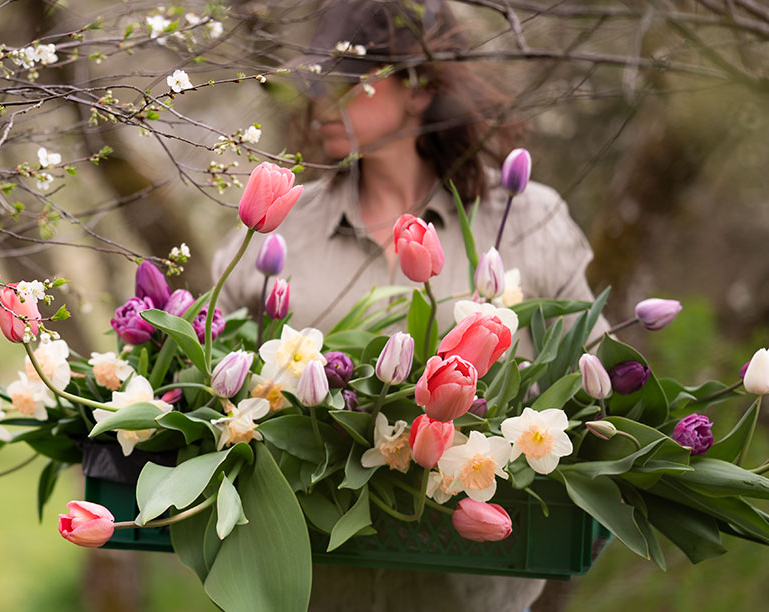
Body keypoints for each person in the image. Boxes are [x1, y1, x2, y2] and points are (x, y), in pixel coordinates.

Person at [212, 1, 607, 610]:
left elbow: (595, 386)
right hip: (315, 581)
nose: (323, 103)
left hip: (477, 582)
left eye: (351, 82)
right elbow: (210, 370)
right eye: (318, 84)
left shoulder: (527, 221)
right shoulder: (285, 227)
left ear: (419, 91)